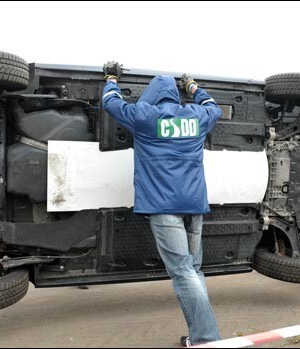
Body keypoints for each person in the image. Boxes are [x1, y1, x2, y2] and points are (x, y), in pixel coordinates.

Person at [102, 61, 223, 347]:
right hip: (194, 206)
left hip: (164, 205)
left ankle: (207, 339)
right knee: (194, 270)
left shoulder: (145, 116)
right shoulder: (196, 116)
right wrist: (193, 87)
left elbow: (110, 102)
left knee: (182, 272)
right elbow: (214, 106)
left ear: (153, 95)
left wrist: (111, 78)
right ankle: (200, 336)